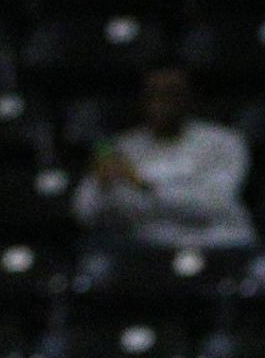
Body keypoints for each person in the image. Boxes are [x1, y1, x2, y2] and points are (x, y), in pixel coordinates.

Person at [71, 67, 253, 251]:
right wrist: (103, 185)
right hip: (148, 250)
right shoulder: (122, 147)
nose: (161, 102)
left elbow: (213, 204)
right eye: (153, 94)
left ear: (189, 98)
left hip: (217, 243)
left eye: (171, 94)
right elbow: (83, 212)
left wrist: (141, 183)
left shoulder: (223, 142)